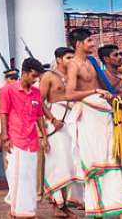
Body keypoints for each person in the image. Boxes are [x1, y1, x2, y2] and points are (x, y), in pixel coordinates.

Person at [65, 28, 122, 218]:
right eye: (89, 40)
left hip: (103, 112)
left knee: (114, 157)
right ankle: (106, 210)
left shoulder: (93, 61)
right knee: (97, 162)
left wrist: (117, 91)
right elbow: (70, 94)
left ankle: (118, 208)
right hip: (88, 114)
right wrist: (94, 92)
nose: (93, 44)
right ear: (79, 44)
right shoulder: (73, 65)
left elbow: (105, 86)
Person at [0, 57, 48, 218]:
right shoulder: (8, 90)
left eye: (37, 77)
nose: (35, 80)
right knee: (17, 175)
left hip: (32, 140)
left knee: (29, 177)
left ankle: (26, 211)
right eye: (33, 76)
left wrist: (45, 137)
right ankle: (17, 211)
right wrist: (5, 137)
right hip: (15, 138)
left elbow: (40, 115)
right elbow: (3, 113)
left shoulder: (36, 92)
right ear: (25, 73)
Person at [40, 46, 82, 215]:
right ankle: (57, 205)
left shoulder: (74, 77)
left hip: (73, 120)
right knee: (59, 163)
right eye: (68, 58)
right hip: (56, 121)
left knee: (72, 162)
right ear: (58, 59)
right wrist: (52, 119)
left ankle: (65, 204)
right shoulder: (49, 76)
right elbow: (39, 102)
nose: (72, 61)